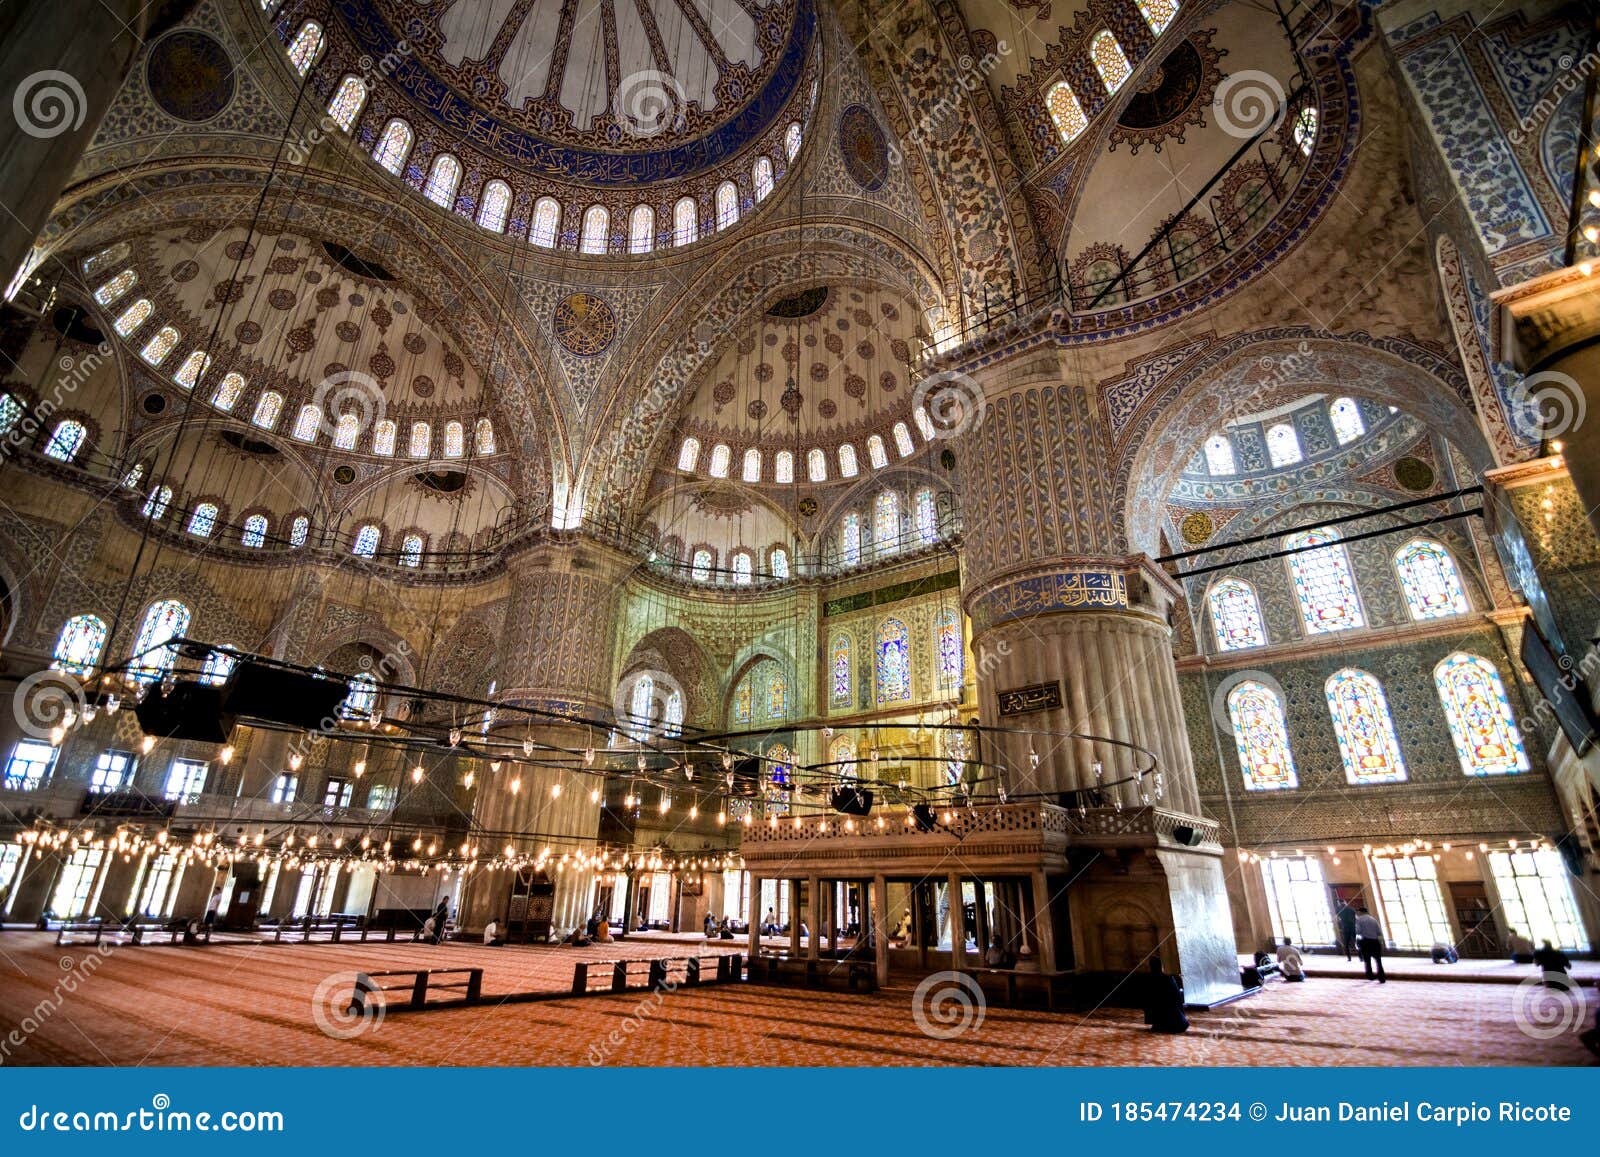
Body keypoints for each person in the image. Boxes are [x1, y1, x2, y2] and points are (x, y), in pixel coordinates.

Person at [1143, 959, 1189, 1034]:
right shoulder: (1168, 978)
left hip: (1160, 1011)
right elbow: (1177, 997)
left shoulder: (1148, 979)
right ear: (1161, 966)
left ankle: (1158, 1024)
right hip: (1170, 1014)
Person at [1354, 906, 1385, 983]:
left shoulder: (1359, 920)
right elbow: (1379, 932)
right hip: (1375, 942)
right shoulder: (1373, 919)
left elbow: (1358, 931)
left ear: (1360, 912)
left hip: (1365, 942)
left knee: (1367, 961)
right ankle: (1381, 978)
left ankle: (1370, 976)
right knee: (1378, 961)